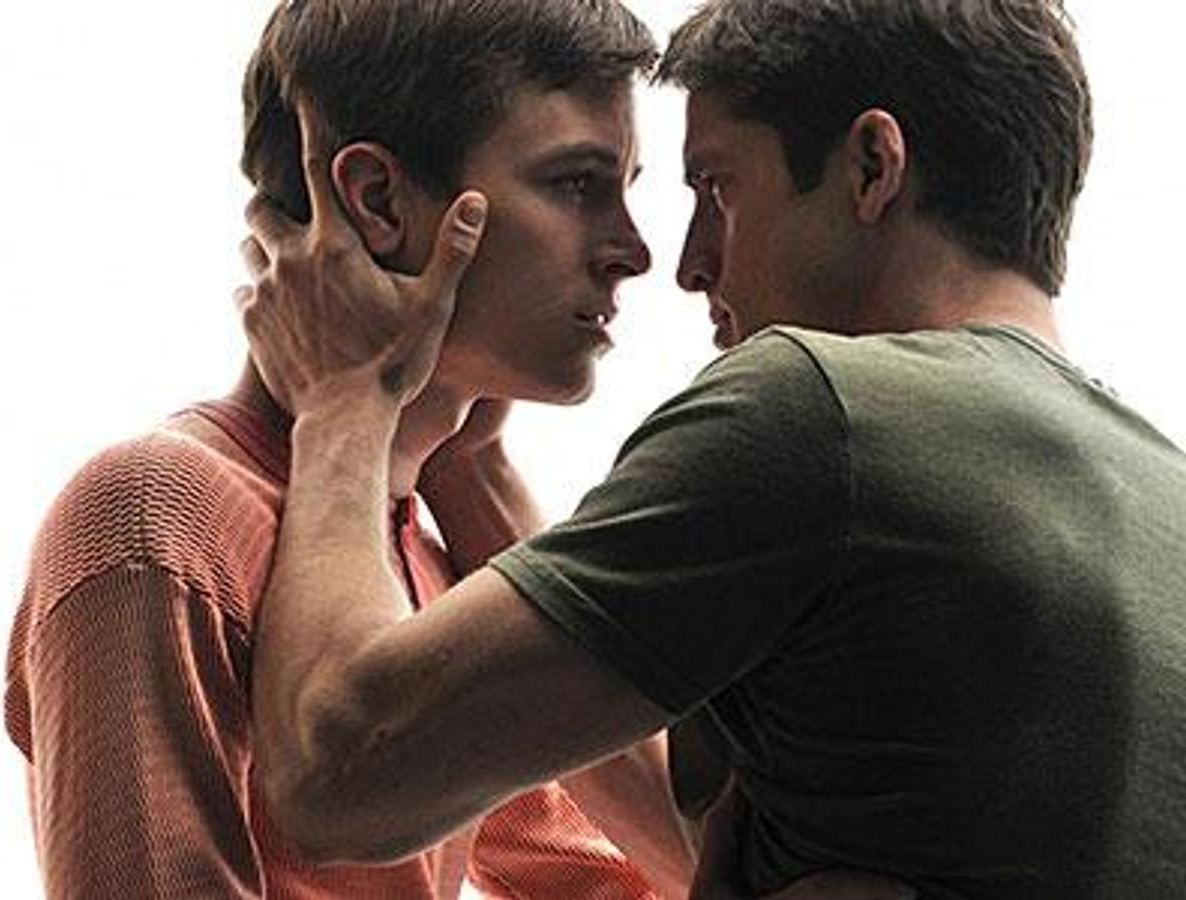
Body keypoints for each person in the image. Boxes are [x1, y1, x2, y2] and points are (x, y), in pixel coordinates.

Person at [236, 0, 1186, 897]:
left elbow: (334, 772)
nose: (688, 265)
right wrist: (465, 463)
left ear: (872, 168)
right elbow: (680, 826)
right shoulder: (1164, 505)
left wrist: (345, 397)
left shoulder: (816, 411)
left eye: (718, 189)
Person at [3, 1, 706, 897]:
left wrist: (468, 471)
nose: (633, 252)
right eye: (575, 183)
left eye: (627, 188)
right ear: (377, 201)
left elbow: (659, 880)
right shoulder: (156, 513)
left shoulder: (413, 555)